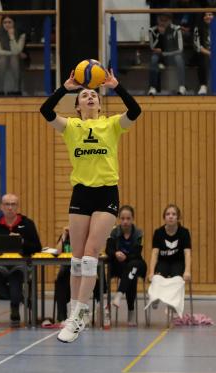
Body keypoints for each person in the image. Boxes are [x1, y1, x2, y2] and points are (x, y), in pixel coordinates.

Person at [39, 61, 141, 343]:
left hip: (107, 193)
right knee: (75, 258)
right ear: (79, 107)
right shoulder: (70, 127)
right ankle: (73, 313)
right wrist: (64, 88)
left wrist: (116, 86)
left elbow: (135, 111)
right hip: (81, 194)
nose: (90, 96)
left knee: (90, 254)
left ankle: (80, 315)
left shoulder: (111, 125)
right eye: (84, 96)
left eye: (93, 95)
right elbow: (45, 111)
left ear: (99, 104)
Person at [0, 194, 42, 327]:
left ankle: (15, 306)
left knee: (15, 281)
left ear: (17, 207)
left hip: (20, 266)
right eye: (7, 204)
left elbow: (37, 247)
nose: (10, 207)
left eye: (13, 204)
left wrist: (22, 241)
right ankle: (23, 300)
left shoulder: (27, 224)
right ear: (1, 207)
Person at [106, 205, 146, 326]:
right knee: (130, 276)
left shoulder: (138, 233)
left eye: (128, 218)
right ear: (119, 219)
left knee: (132, 267)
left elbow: (136, 253)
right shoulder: (114, 232)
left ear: (132, 219)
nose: (125, 221)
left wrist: (126, 257)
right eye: (122, 218)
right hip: (120, 266)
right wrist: (116, 253)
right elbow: (108, 249)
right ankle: (130, 311)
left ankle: (119, 294)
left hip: (136, 263)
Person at [149, 205, 192, 283]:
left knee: (176, 280)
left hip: (178, 262)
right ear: (164, 217)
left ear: (178, 218)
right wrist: (151, 272)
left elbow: (187, 253)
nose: (170, 216)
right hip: (163, 262)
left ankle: (174, 296)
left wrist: (187, 271)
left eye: (174, 214)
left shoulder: (184, 232)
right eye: (168, 214)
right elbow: (154, 253)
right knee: (158, 279)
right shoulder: (158, 232)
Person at [0, 16, 26, 96]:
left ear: (14, 23)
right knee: (3, 59)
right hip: (1, 58)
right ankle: (0, 89)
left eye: (9, 22)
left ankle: (16, 89)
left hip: (19, 59)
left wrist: (12, 37)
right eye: (5, 22)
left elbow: (18, 50)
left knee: (14, 58)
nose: (7, 24)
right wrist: (13, 53)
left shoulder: (21, 33)